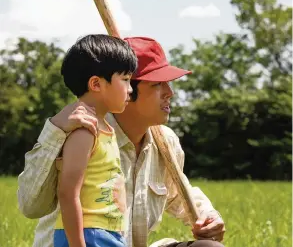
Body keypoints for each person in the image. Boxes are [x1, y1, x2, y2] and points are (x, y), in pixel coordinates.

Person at [18, 37, 226, 247]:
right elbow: (30, 206)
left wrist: (207, 216)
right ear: (129, 90)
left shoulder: (166, 141)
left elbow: (178, 193)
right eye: (157, 84)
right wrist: (54, 130)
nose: (170, 93)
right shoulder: (82, 129)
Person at [52, 34, 137, 247]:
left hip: (106, 233)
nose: (131, 89)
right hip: (89, 234)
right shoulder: (85, 131)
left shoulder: (105, 128)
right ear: (96, 84)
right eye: (125, 80)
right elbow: (67, 192)